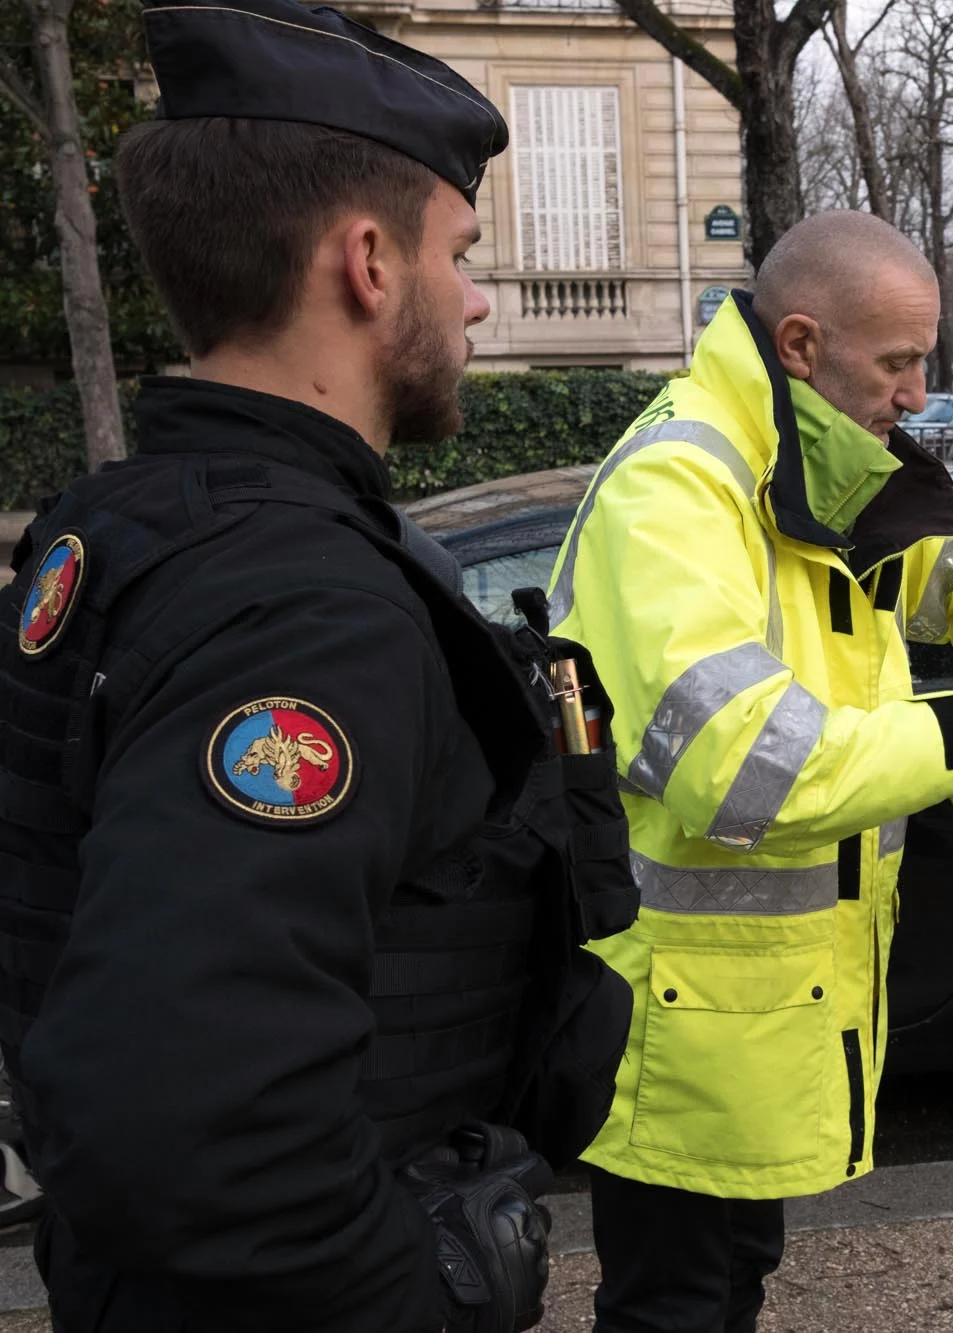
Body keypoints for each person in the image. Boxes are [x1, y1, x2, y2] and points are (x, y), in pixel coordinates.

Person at [0, 1, 636, 1327]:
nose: (473, 294)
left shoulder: (116, 526)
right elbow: (195, 1118)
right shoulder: (298, 602)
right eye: (457, 250)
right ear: (367, 263)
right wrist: (420, 1294)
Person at [551, 209, 953, 1332]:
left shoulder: (820, 454)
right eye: (897, 363)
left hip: (761, 1026)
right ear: (799, 345)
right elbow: (747, 769)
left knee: (727, 1287)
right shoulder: (677, 491)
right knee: (673, 1305)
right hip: (683, 1039)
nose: (919, 396)